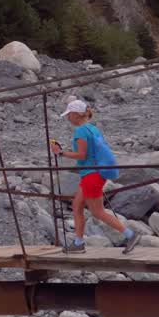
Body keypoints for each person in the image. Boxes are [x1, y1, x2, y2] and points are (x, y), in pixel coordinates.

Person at [50, 98, 140, 254]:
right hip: (93, 173)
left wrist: (61, 153)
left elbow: (82, 155)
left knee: (98, 212)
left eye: (69, 114)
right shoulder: (93, 128)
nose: (67, 118)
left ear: (76, 114)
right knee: (77, 206)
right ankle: (78, 243)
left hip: (92, 174)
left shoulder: (80, 131)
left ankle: (130, 235)